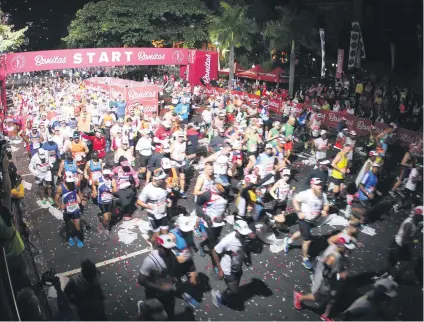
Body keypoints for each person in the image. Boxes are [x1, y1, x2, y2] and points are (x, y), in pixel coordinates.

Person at [293, 236, 356, 321]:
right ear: (341, 246)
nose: (349, 250)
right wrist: (339, 275)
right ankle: (299, 298)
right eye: (347, 248)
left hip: (335, 283)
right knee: (318, 297)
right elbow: (326, 273)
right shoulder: (333, 257)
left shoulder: (342, 255)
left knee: (332, 300)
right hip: (328, 284)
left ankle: (326, 315)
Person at [282, 178, 330, 270]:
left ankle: (288, 241)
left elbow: (326, 204)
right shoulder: (306, 194)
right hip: (304, 220)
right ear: (312, 185)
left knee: (301, 232)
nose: (320, 186)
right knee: (307, 240)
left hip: (313, 220)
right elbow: (295, 200)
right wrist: (299, 212)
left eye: (321, 184)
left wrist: (325, 210)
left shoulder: (323, 194)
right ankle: (305, 259)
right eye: (317, 184)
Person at [211, 220, 253, 309]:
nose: (244, 235)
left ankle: (227, 294)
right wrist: (220, 270)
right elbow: (214, 251)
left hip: (238, 267)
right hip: (228, 269)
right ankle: (218, 296)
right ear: (236, 230)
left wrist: (247, 258)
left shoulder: (243, 237)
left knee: (235, 286)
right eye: (242, 233)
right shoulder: (228, 240)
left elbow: (243, 248)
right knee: (234, 290)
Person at [137, 234, 178, 319]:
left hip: (167, 292)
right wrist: (159, 287)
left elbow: (171, 269)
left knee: (170, 314)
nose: (168, 251)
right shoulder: (150, 261)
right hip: (154, 293)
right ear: (159, 247)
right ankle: (144, 308)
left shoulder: (171, 255)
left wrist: (173, 278)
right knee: (156, 316)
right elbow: (141, 280)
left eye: (169, 249)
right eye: (165, 249)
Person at [195, 183, 228, 262]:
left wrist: (226, 214)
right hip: (210, 222)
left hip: (220, 222)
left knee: (215, 238)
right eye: (221, 185)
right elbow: (198, 204)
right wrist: (204, 216)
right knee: (213, 244)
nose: (223, 187)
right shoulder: (208, 194)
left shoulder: (225, 192)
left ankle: (201, 245)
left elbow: (225, 204)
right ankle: (216, 264)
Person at [137, 169, 170, 244]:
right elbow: (139, 201)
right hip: (154, 216)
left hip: (163, 213)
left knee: (165, 233)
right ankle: (152, 244)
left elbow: (165, 196)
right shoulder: (147, 189)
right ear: (156, 179)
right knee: (156, 235)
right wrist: (148, 206)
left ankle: (163, 248)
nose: (165, 180)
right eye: (162, 179)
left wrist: (168, 201)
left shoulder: (164, 184)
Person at [55, 171, 84, 248]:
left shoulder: (75, 185)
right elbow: (56, 199)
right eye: (68, 182)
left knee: (77, 226)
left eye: (71, 181)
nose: (70, 183)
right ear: (64, 179)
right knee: (68, 226)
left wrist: (81, 199)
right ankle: (70, 237)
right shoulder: (60, 187)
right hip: (66, 211)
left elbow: (79, 193)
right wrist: (60, 205)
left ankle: (79, 239)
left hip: (75, 209)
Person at [92, 168, 117, 237]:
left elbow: (115, 190)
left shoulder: (112, 180)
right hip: (102, 201)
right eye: (105, 175)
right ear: (103, 174)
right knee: (106, 218)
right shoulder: (99, 180)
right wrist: (94, 191)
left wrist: (109, 190)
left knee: (109, 217)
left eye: (108, 175)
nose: (106, 176)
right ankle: (106, 229)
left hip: (109, 201)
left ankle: (106, 223)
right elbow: (93, 184)